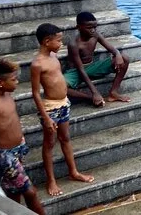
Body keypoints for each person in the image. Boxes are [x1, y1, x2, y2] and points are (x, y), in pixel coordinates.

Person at [31, 23, 94, 197]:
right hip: (50, 108)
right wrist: (46, 117)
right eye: (58, 41)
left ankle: (73, 172)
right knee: (49, 144)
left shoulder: (53, 56)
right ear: (47, 41)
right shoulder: (37, 64)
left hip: (63, 104)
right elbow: (35, 93)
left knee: (65, 138)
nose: (61, 44)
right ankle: (51, 180)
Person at [0, 59, 45, 214]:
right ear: (0, 83)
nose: (17, 82)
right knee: (30, 192)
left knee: (13, 189)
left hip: (18, 148)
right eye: (13, 79)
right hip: (4, 155)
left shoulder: (7, 93)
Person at [65, 12, 130, 107]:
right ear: (78, 27)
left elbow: (112, 49)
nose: (93, 30)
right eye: (89, 28)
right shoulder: (73, 44)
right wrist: (95, 92)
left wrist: (117, 54)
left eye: (95, 27)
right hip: (76, 71)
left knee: (124, 58)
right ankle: (90, 98)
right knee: (60, 87)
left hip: (92, 67)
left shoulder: (95, 35)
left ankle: (114, 92)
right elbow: (80, 69)